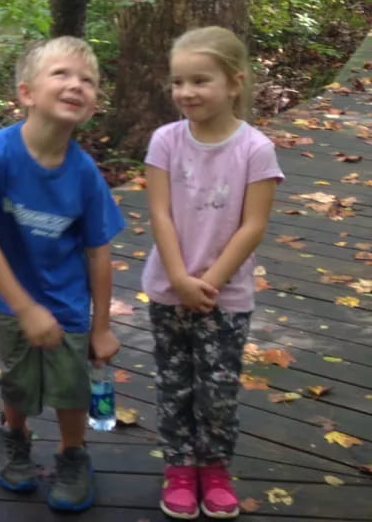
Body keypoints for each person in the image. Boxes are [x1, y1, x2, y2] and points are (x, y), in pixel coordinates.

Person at [0, 36, 124, 513]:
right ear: (26, 92)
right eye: (62, 74)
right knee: (18, 379)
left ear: (94, 104)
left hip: (68, 300)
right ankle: (13, 436)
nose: (76, 85)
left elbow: (99, 254)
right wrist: (25, 308)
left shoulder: (85, 174)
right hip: (12, 299)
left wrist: (101, 327)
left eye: (87, 80)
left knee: (71, 384)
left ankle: (72, 454)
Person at [143, 26, 283, 520]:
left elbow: (254, 224)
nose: (186, 92)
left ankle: (215, 467)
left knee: (218, 391)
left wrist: (211, 282)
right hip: (168, 289)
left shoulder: (255, 149)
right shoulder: (165, 141)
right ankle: (180, 467)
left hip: (225, 295)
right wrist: (179, 277)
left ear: (235, 82)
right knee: (174, 384)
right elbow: (159, 214)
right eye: (178, 82)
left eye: (200, 80)